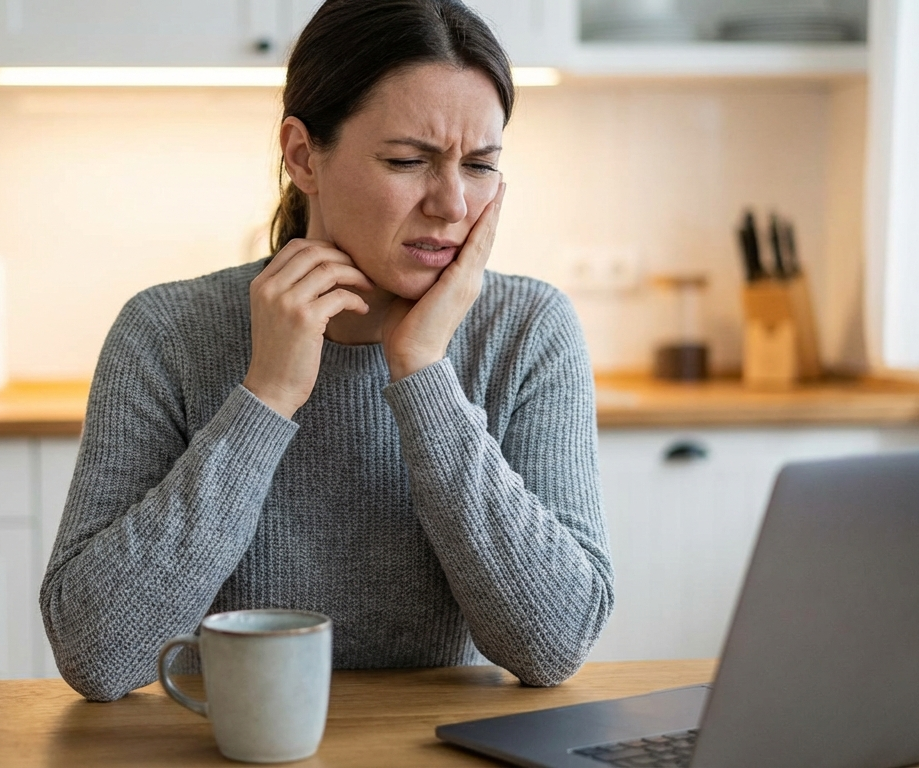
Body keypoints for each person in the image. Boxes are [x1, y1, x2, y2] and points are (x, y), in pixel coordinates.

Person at [40, 0, 613, 703]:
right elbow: (97, 656)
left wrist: (425, 373)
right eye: (409, 160)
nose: (453, 204)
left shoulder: (528, 330)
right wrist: (266, 397)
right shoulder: (166, 332)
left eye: (481, 165)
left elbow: (552, 646)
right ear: (303, 155)